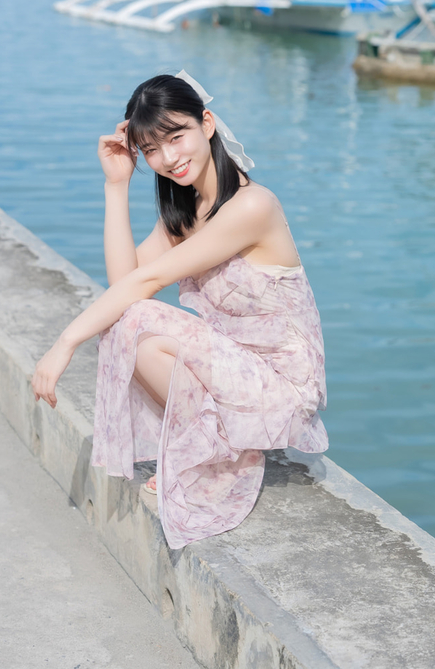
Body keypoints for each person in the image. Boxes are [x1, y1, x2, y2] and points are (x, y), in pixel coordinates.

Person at [30, 72, 328, 549]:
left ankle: (215, 451)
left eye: (176, 137)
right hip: (236, 373)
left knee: (137, 318)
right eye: (151, 149)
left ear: (206, 124)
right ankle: (210, 445)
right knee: (129, 321)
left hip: (283, 390)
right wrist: (116, 186)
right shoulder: (188, 212)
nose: (168, 158)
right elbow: (125, 283)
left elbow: (143, 287)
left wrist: (65, 342)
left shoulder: (252, 206)